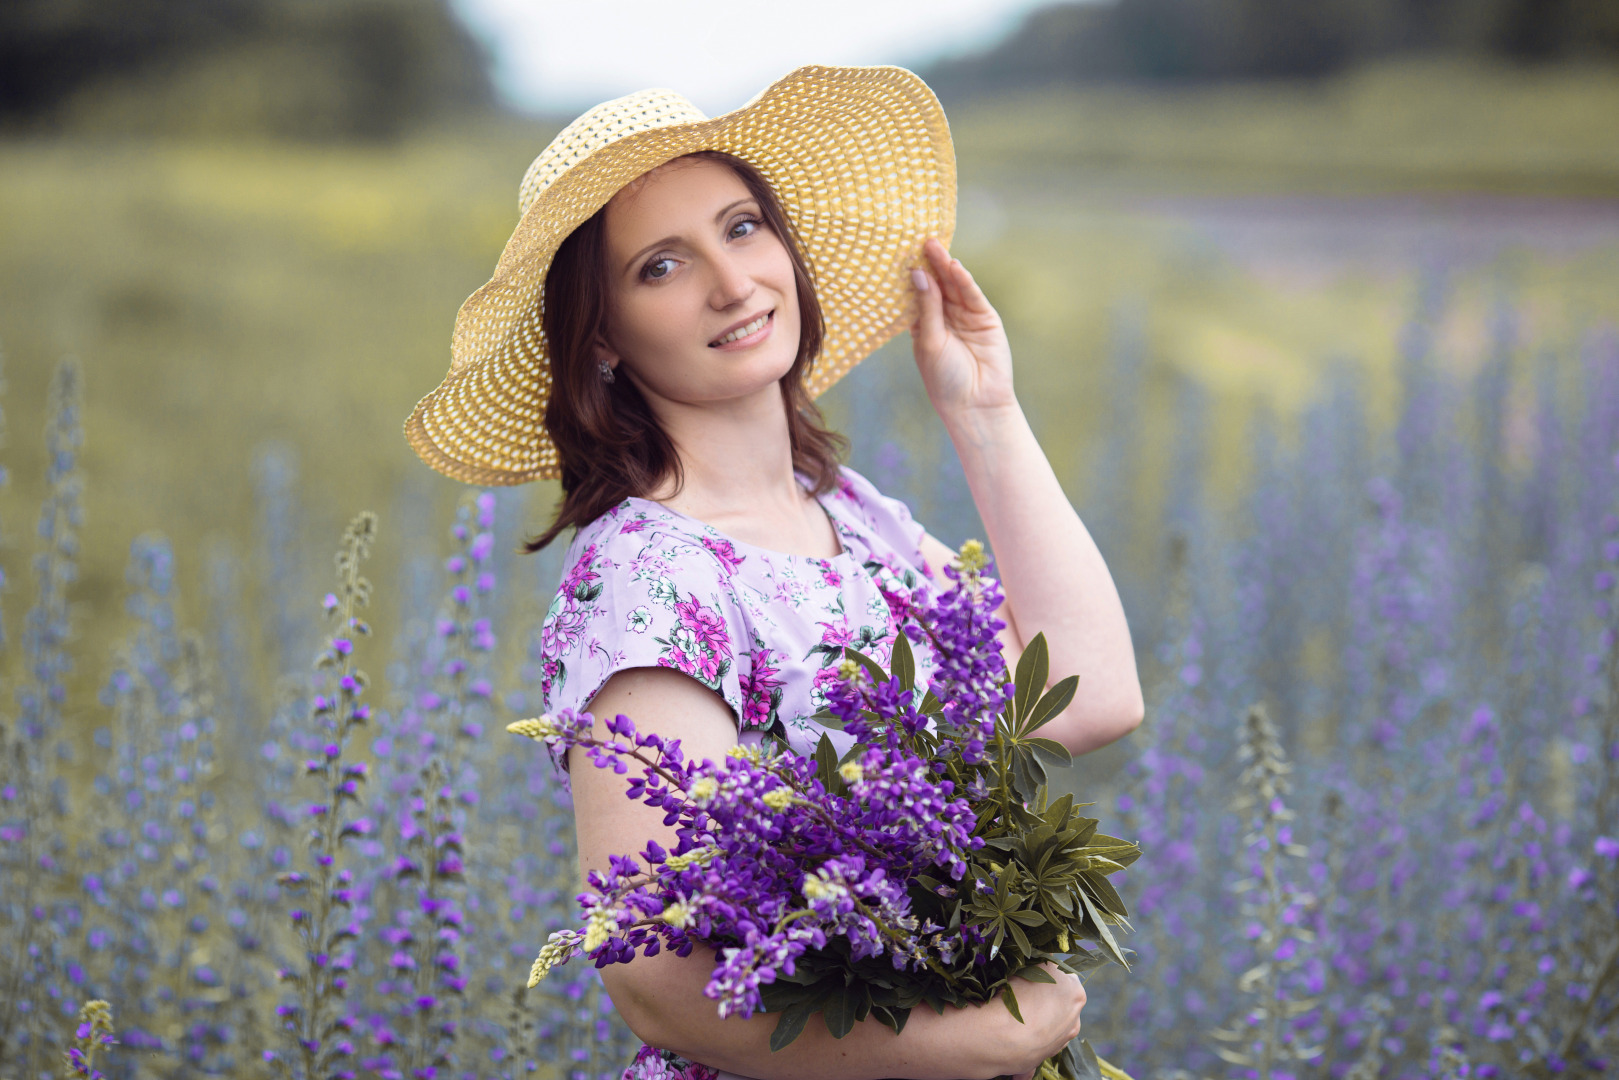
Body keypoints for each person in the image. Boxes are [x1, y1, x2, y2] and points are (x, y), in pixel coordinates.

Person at [405, 65, 1144, 1080]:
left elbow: (1087, 699)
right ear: (605, 339)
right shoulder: (645, 581)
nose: (731, 282)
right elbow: (654, 977)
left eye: (742, 226)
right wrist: (965, 1045)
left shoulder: (847, 513)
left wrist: (983, 414)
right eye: (660, 267)